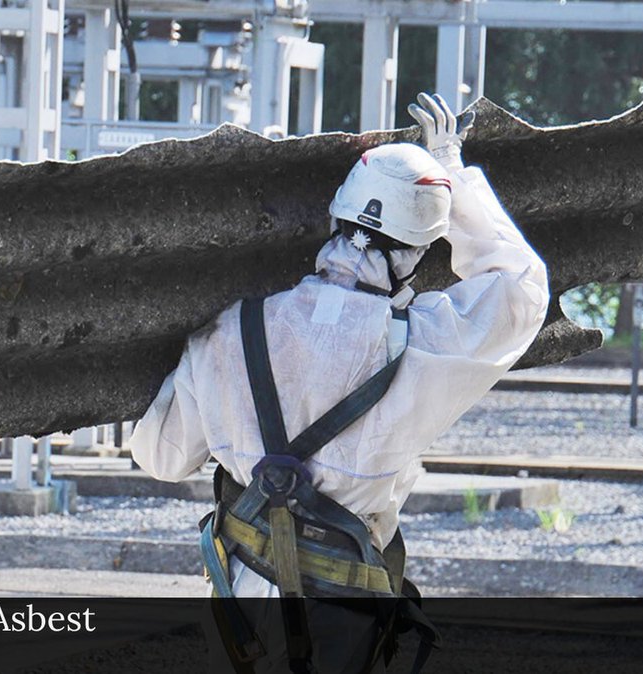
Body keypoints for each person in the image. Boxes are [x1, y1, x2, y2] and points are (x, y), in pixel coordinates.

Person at [130, 93, 551, 673]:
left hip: (242, 609)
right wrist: (450, 168)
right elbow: (522, 289)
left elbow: (161, 458)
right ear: (418, 252)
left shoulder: (230, 330)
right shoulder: (424, 346)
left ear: (333, 219)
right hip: (345, 613)